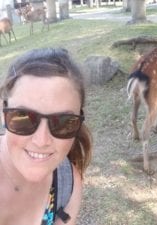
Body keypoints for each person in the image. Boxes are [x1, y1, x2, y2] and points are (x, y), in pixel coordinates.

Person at [0, 48, 92, 225]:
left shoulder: (68, 184)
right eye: (23, 117)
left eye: (64, 122)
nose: (41, 141)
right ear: (3, 113)